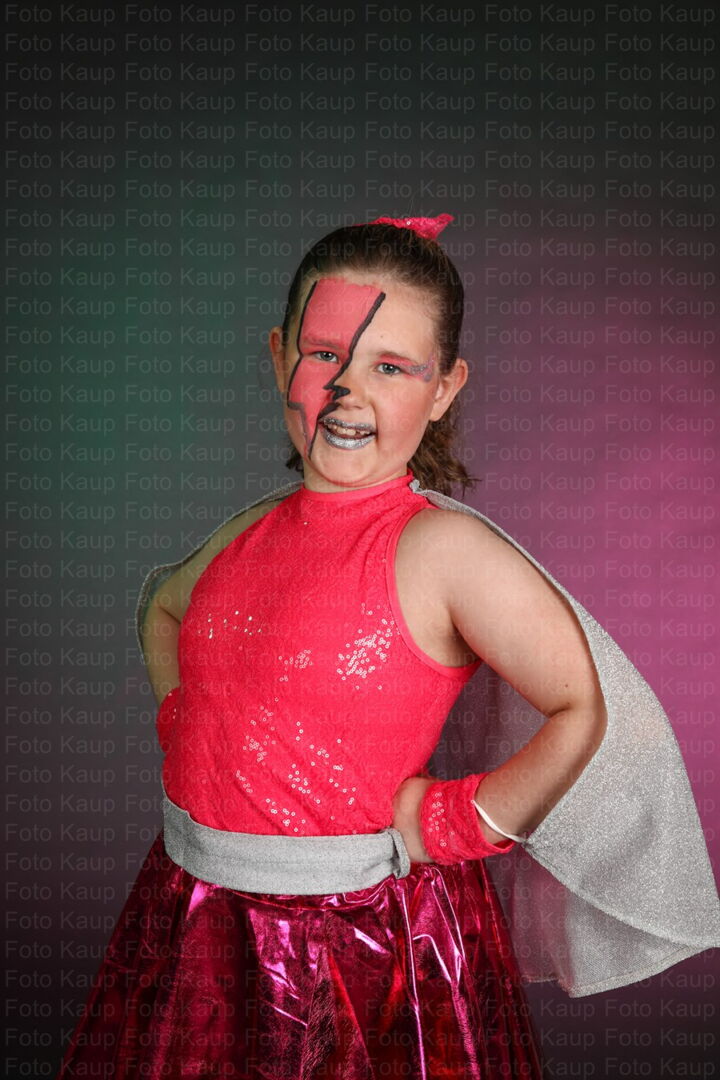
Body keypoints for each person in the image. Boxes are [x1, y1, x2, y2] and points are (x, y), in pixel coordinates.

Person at [56, 215, 720, 1079]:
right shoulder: (248, 531)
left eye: (391, 367)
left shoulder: (442, 551)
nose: (347, 391)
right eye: (323, 354)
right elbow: (162, 606)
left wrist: (454, 822)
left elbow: (587, 707)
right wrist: (183, 724)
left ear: (444, 388)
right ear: (279, 357)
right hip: (195, 918)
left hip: (357, 947)